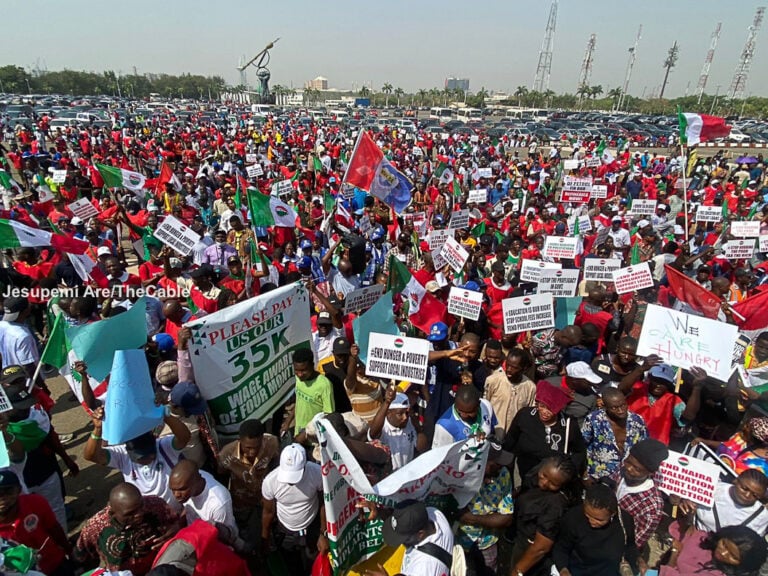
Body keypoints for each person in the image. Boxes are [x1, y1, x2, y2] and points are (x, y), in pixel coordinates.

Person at [83, 405, 191, 507]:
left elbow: (184, 437)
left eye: (149, 453)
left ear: (154, 440)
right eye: (140, 457)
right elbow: (91, 456)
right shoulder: (121, 455)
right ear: (127, 449)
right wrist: (97, 429)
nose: (147, 459)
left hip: (177, 513)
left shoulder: (164, 446)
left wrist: (164, 413)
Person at [73, 482, 179, 576]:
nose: (139, 514)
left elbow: (179, 525)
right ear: (113, 513)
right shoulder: (95, 527)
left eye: (141, 506)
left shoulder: (156, 505)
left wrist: (173, 533)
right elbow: (83, 558)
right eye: (130, 513)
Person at [261, 443, 327, 575]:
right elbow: (268, 513)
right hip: (286, 530)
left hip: (312, 526)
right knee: (292, 566)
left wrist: (323, 533)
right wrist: (265, 539)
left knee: (312, 563)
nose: (290, 481)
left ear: (304, 467)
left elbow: (323, 503)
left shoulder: (316, 473)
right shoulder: (270, 481)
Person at [510, 455, 578, 576]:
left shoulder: (555, 504)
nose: (544, 483)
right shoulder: (536, 472)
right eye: (544, 475)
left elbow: (541, 547)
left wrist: (518, 571)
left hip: (531, 553)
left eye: (553, 483)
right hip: (520, 538)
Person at [504, 380, 586, 480]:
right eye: (542, 406)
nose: (545, 412)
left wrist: (567, 473)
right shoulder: (525, 415)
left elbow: (579, 452)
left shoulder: (569, 424)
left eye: (551, 409)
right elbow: (510, 440)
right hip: (523, 475)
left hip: (552, 481)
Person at [552, 483, 638, 576]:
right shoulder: (573, 518)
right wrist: (563, 570)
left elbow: (630, 546)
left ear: (612, 514)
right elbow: (561, 549)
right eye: (587, 515)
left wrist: (638, 561)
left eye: (599, 520)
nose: (592, 522)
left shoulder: (625, 520)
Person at [217, 419, 279, 544]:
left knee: (269, 523)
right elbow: (221, 475)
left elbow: (276, 464)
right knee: (243, 525)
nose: (252, 452)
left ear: (262, 439)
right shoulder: (227, 454)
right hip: (240, 500)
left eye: (256, 447)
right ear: (239, 440)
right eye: (248, 448)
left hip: (265, 496)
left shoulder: (272, 443)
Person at [457, 441, 515, 575]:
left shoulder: (503, 474)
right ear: (482, 462)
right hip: (460, 543)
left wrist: (472, 518)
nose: (501, 467)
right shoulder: (459, 476)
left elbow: (506, 518)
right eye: (496, 464)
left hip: (488, 543)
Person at [0, 470, 73, 576]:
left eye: (8, 491)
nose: (2, 497)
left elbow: (54, 528)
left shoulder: (35, 502)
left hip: (55, 564)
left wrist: (68, 549)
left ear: (19, 490)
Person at [622, 363, 705, 445]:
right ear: (650, 378)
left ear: (669, 384)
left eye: (663, 382)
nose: (658, 385)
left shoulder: (673, 400)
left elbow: (689, 416)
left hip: (653, 447)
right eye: (656, 380)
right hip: (625, 438)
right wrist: (641, 369)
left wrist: (697, 387)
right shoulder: (637, 387)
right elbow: (621, 389)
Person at [369, 500, 454, 576]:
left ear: (420, 534)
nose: (401, 541)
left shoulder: (424, 567)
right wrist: (380, 511)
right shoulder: (433, 514)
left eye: (403, 538)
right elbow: (403, 521)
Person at [581, 387, 648, 481]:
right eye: (614, 408)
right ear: (605, 406)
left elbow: (643, 448)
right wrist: (585, 474)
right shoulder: (594, 419)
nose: (621, 410)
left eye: (623, 405)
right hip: (598, 476)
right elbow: (581, 446)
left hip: (626, 477)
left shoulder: (637, 421)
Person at [614, 438, 668, 551]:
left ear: (650, 473)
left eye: (637, 469)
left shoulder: (652, 506)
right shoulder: (621, 471)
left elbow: (635, 542)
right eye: (628, 462)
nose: (628, 468)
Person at [681, 469, 768, 536]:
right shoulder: (712, 488)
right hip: (691, 536)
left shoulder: (762, 515)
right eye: (744, 488)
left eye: (755, 495)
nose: (747, 495)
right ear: (736, 481)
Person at [149, 520, 251, 576]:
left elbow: (213, 526)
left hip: (229, 564)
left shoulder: (191, 542)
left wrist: (240, 545)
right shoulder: (157, 571)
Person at [168, 460, 239, 541]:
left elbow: (224, 537)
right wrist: (179, 525)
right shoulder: (189, 482)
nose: (176, 495)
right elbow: (189, 505)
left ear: (196, 481)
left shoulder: (218, 504)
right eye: (173, 489)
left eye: (182, 489)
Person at [661, 525, 767, 576]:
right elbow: (681, 532)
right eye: (724, 545)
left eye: (733, 557)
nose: (723, 553)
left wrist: (675, 553)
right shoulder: (704, 538)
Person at [483, 348, 536, 434]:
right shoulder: (493, 380)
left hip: (514, 435)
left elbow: (529, 414)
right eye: (508, 365)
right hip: (493, 432)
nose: (509, 370)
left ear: (524, 369)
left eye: (514, 367)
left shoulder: (530, 388)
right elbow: (485, 405)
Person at [368, 385, 421, 470]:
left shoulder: (410, 422)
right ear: (389, 413)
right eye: (400, 414)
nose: (405, 417)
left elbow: (421, 447)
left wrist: (417, 427)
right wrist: (387, 402)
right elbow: (373, 433)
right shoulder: (383, 428)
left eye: (407, 413)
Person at [432, 384, 497, 448]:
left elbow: (492, 433)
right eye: (460, 411)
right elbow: (439, 455)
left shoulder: (487, 406)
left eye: (469, 412)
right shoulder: (444, 427)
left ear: (478, 404)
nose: (463, 415)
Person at [292, 347, 335, 435]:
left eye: (303, 370)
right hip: (298, 432)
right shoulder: (298, 378)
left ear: (312, 365)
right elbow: (299, 402)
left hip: (314, 437)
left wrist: (307, 433)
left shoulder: (324, 385)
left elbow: (329, 415)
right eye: (296, 370)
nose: (300, 374)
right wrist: (287, 422)